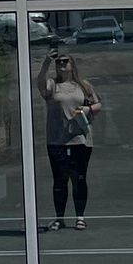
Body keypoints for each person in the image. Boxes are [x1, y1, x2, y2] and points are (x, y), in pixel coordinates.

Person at [38, 48, 101, 228]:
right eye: (59, 62)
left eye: (65, 61)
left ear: (72, 65)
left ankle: (80, 216)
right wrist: (46, 63)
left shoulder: (83, 85)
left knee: (79, 177)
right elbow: (40, 84)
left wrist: (87, 110)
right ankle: (59, 217)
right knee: (59, 179)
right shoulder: (52, 85)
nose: (62, 64)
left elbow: (97, 105)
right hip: (57, 139)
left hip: (79, 139)